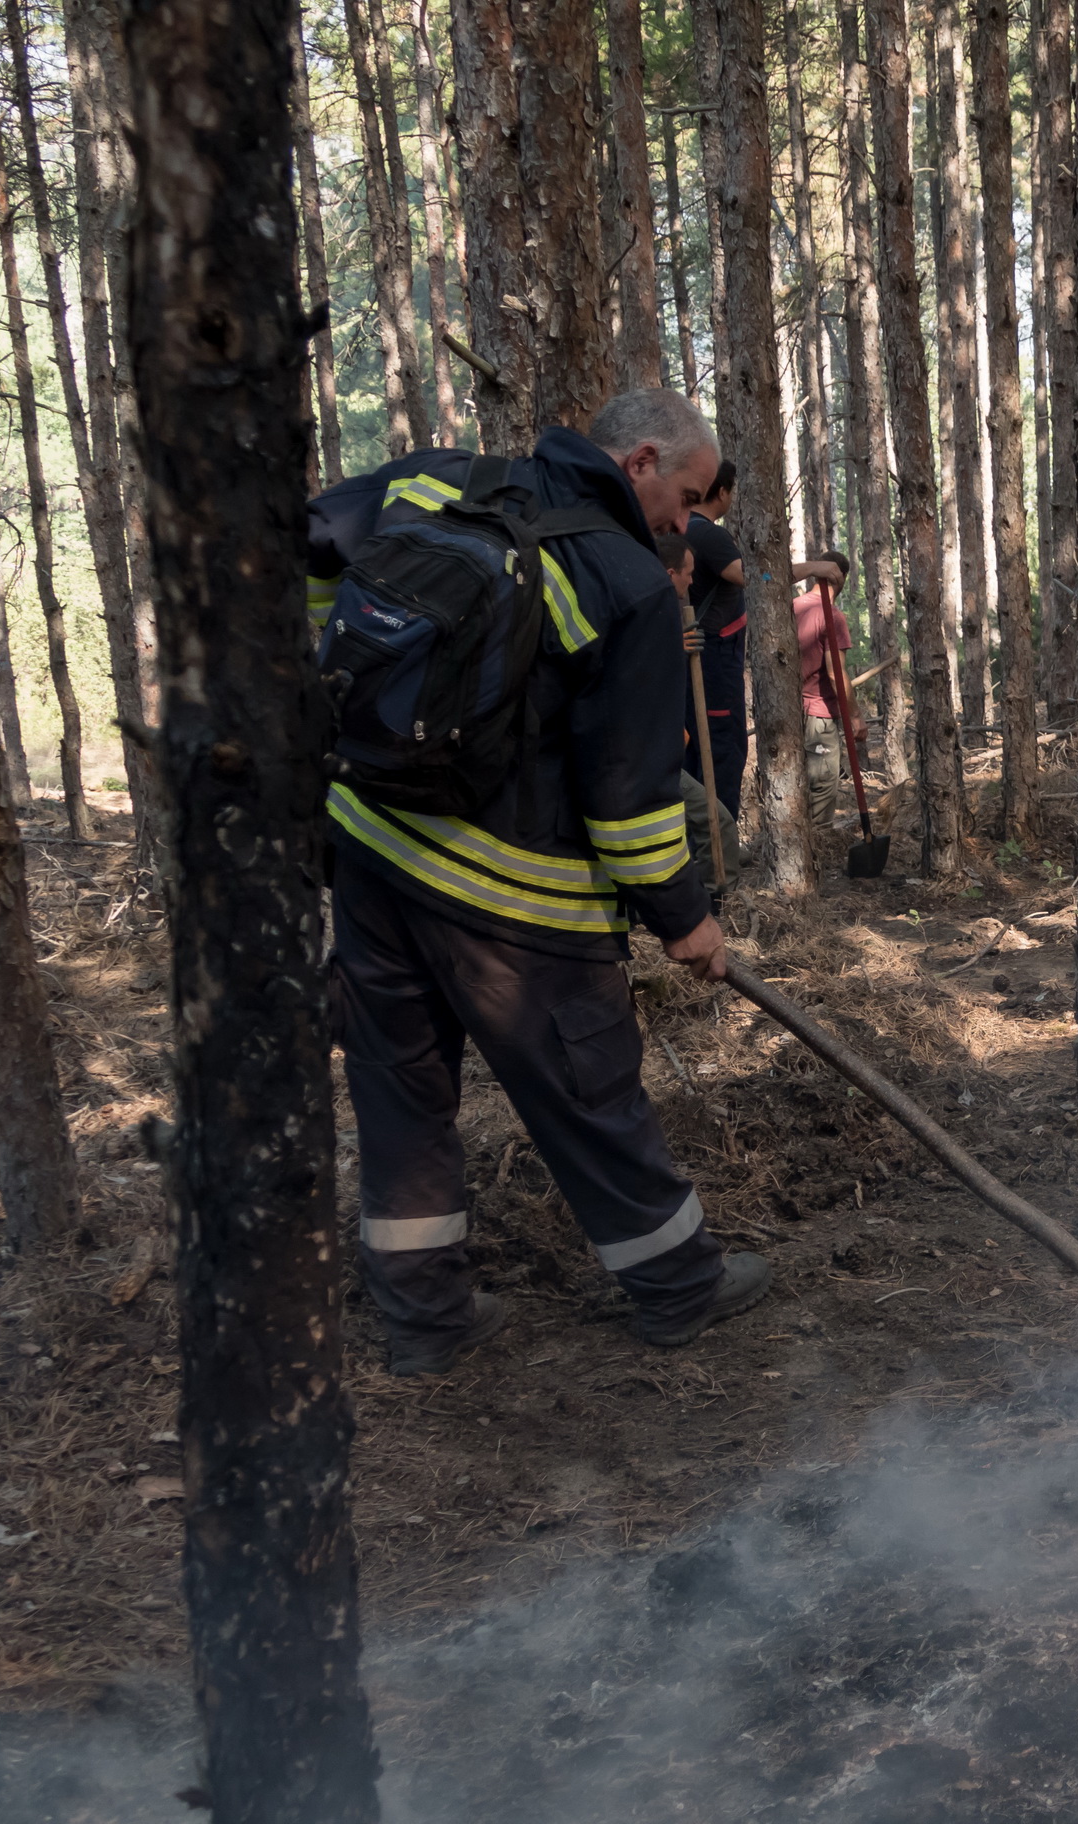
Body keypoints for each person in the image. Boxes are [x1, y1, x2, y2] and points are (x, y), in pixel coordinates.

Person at [310, 388, 771, 1377]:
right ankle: (678, 1286)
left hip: (370, 855)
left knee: (400, 1097)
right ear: (641, 460)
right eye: (687, 498)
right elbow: (630, 800)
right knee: (589, 1090)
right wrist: (686, 922)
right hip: (515, 900)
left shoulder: (436, 480)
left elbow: (312, 550)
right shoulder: (630, 583)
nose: (686, 526)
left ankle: (426, 1321)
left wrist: (326, 708)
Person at [660, 530, 740, 895]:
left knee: (714, 821)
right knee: (714, 821)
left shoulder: (666, 611)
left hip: (662, 748)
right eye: (688, 572)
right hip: (638, 755)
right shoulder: (640, 611)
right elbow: (627, 675)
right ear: (669, 572)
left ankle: (715, 901)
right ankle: (714, 900)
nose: (693, 580)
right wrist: (671, 649)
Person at [682, 464, 749, 821]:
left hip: (698, 661)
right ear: (721, 491)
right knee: (723, 750)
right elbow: (754, 577)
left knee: (697, 750)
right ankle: (718, 842)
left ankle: (701, 846)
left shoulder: (680, 528)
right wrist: (808, 568)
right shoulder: (709, 536)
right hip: (715, 664)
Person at [790, 551, 856, 822]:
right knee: (822, 790)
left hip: (791, 712)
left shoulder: (792, 606)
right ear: (841, 579)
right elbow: (835, 672)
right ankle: (815, 851)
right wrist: (854, 715)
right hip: (819, 717)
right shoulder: (832, 616)